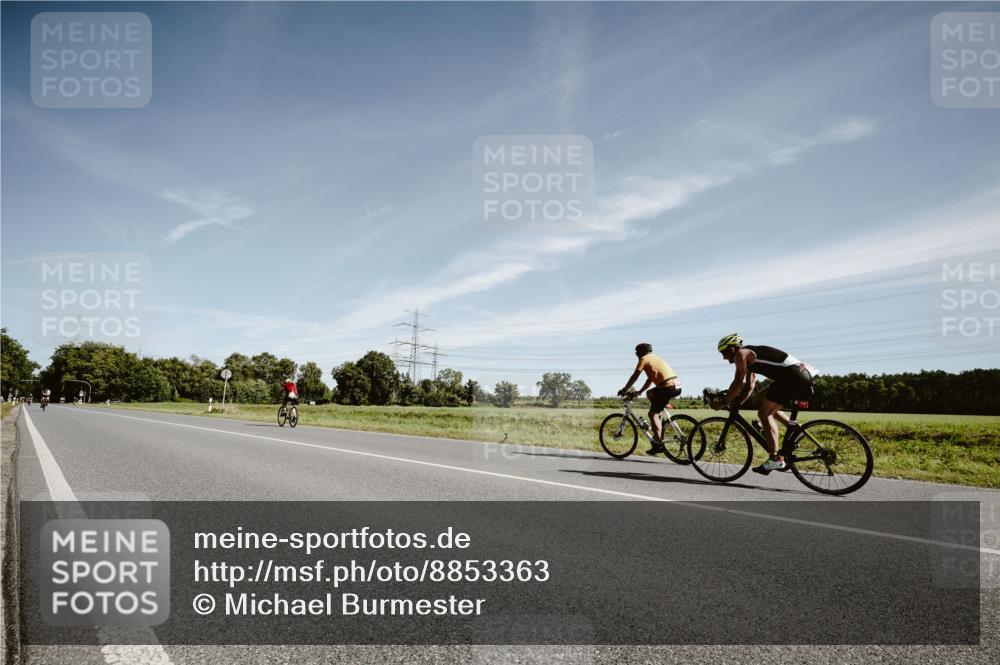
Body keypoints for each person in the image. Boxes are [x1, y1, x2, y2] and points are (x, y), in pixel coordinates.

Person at [713, 333, 818, 474]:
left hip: (791, 375)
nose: (724, 357)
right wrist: (737, 403)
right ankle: (794, 430)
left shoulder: (741, 354)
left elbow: (738, 382)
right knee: (758, 400)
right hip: (796, 374)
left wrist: (724, 401)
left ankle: (775, 459)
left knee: (764, 413)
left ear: (731, 349)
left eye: (724, 353)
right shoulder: (749, 356)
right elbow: (749, 386)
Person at [618, 342, 682, 455]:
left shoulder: (644, 359)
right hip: (676, 386)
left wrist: (624, 389)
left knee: (652, 414)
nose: (636, 354)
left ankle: (658, 444)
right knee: (649, 393)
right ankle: (660, 413)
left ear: (642, 352)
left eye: (637, 352)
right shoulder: (655, 358)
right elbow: (650, 380)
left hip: (667, 387)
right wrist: (640, 392)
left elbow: (635, 375)